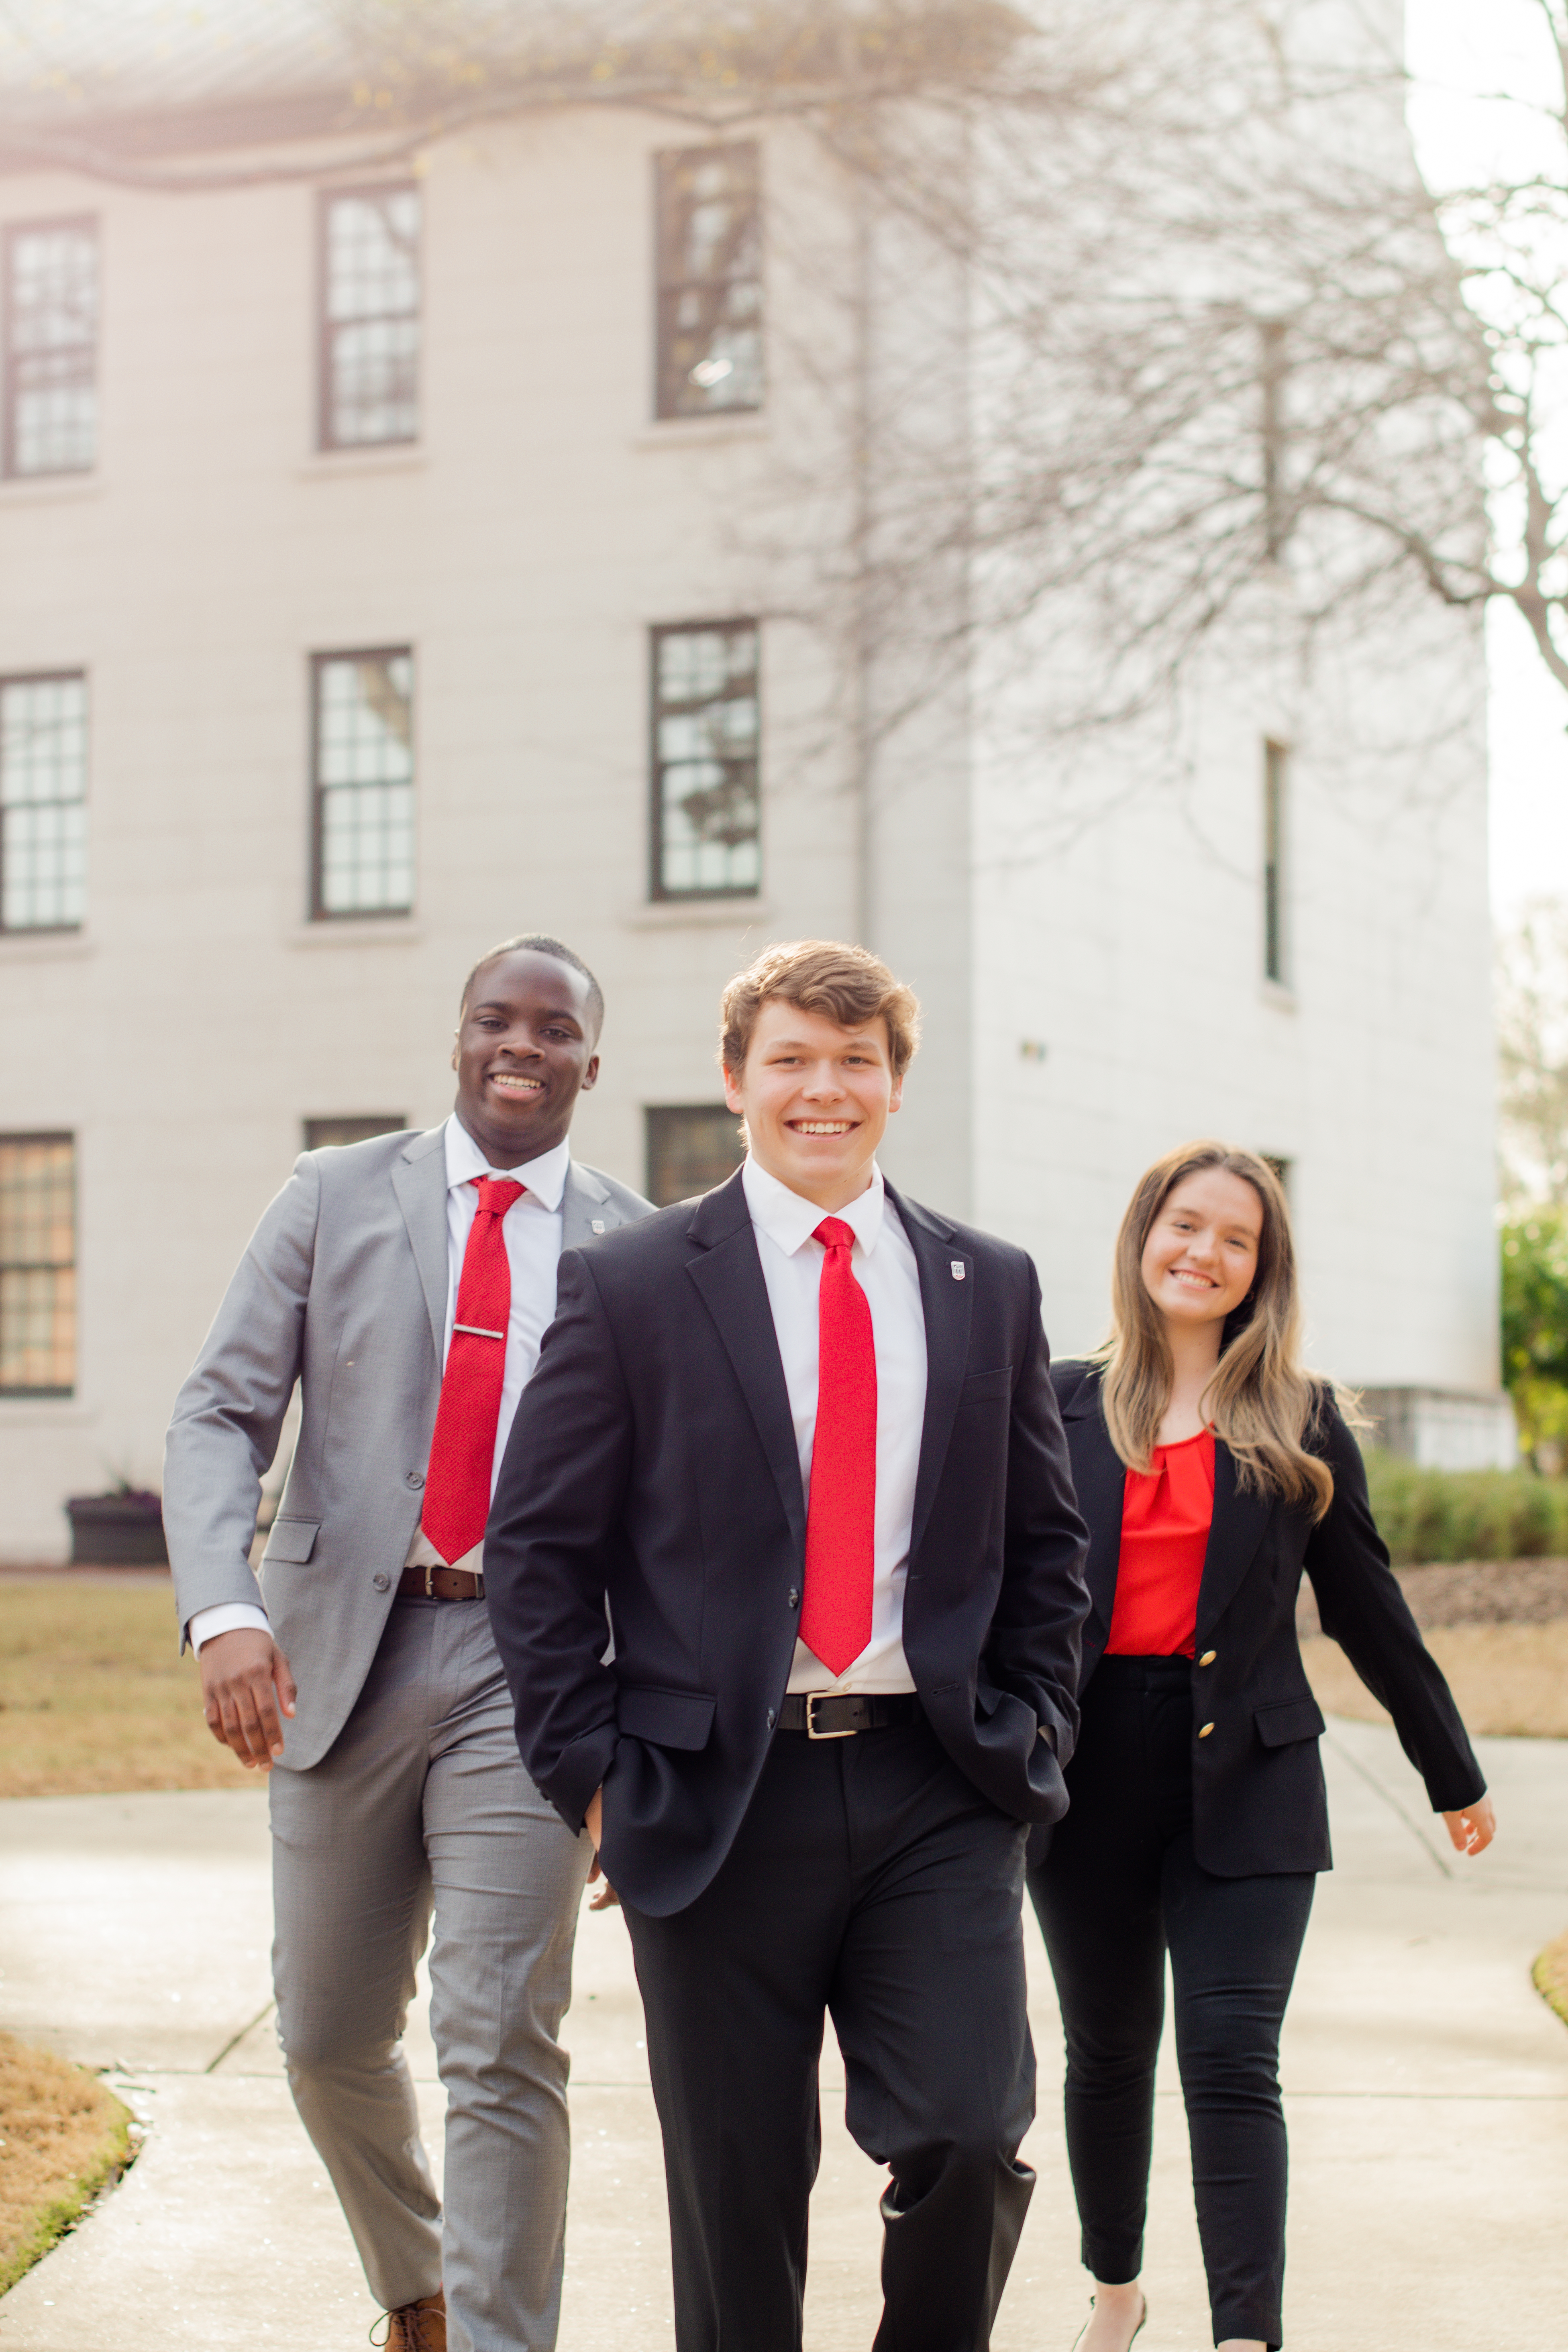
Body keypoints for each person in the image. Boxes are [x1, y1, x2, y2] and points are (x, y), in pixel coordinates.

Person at [482, 938, 1093, 2352]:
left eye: (855, 1061)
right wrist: (589, 1771)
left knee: (965, 2133)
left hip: (935, 1780)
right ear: (734, 1079)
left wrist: (1034, 1729)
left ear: (894, 1081)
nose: (825, 1090)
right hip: (712, 1793)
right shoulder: (633, 1283)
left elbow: (1046, 1543)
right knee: (736, 2198)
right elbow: (540, 1546)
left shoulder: (983, 1282)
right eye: (792, 1061)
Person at [163, 936, 654, 2352]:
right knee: (324, 2034)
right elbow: (217, 1414)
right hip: (333, 1659)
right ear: (456, 1039)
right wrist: (227, 1608)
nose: (521, 1043)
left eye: (552, 1027)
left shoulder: (634, 1243)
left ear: (589, 1063)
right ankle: (417, 2285)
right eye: (495, 1019)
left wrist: (644, 1738)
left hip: (534, 1667)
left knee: (502, 2038)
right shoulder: (332, 1194)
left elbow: (675, 1510)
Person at [1028, 1142, 1495, 2352]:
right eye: (1186, 1225)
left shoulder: (1298, 1415)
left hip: (1253, 1770)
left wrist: (1448, 1766)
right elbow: (996, 1593)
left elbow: (1365, 1604)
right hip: (1085, 1780)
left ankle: (1247, 2333)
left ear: (1260, 1269)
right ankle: (1117, 2289)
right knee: (1108, 2048)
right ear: (1143, 1235)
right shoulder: (1055, 1398)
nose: (1205, 1253)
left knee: (1232, 2056)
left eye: (1237, 1239)